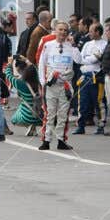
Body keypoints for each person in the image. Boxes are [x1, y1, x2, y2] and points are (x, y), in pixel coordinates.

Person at [37, 20, 77, 151]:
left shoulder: (70, 47)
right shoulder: (48, 45)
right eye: (60, 29)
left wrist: (74, 45)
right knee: (50, 114)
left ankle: (61, 140)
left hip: (65, 85)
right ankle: (46, 140)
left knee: (63, 114)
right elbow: (41, 63)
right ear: (55, 30)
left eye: (65, 30)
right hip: (51, 85)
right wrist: (42, 81)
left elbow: (79, 60)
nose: (63, 32)